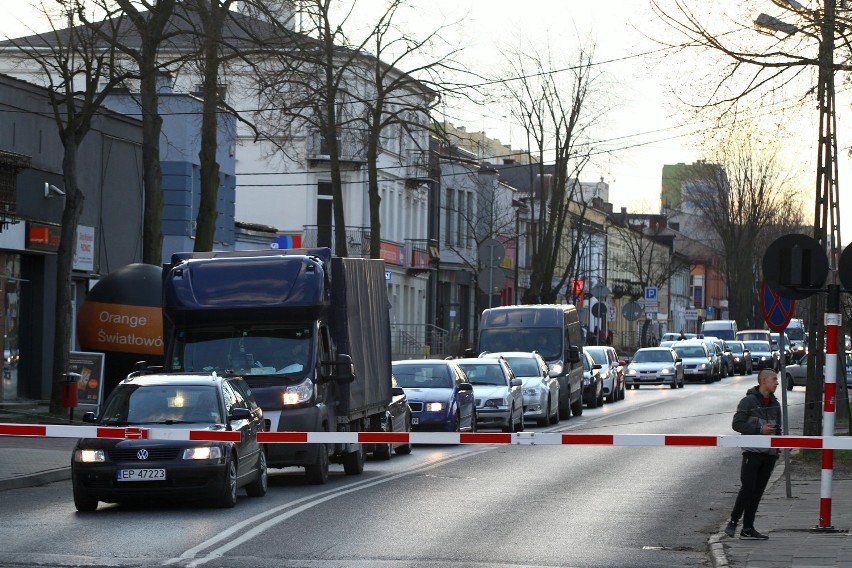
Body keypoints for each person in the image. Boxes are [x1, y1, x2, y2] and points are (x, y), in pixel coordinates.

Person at [725, 369, 781, 540]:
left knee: (757, 493)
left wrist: (778, 448)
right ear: (763, 381)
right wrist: (759, 429)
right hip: (752, 452)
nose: (777, 383)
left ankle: (748, 528)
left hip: (769, 455)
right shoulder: (748, 402)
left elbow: (778, 428)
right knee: (748, 488)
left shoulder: (775, 404)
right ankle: (733, 522)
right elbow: (737, 424)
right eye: (774, 379)